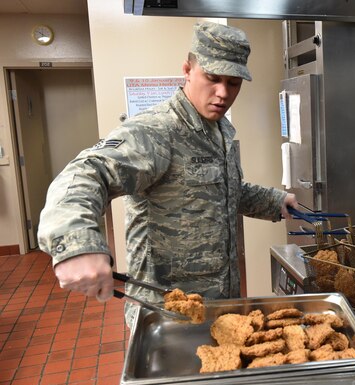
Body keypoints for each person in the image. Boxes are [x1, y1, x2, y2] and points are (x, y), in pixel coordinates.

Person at [37, 21, 298, 325]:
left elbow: (223, 191)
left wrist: (274, 201)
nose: (223, 93)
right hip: (167, 314)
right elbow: (86, 173)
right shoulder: (157, 131)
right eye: (212, 78)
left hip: (218, 304)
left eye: (234, 83)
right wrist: (76, 244)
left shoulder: (219, 129)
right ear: (187, 70)